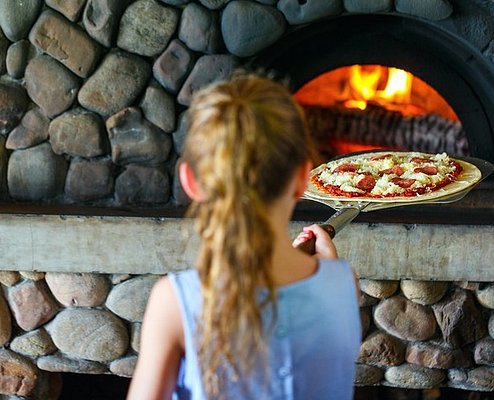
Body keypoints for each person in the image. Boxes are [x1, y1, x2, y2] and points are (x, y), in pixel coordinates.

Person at [127, 74, 361, 400]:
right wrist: (328, 270)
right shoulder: (343, 284)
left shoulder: (175, 302)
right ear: (302, 180)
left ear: (192, 183)